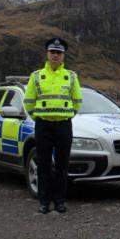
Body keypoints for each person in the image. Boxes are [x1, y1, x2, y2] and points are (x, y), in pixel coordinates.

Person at [23, 38, 82, 214]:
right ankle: (44, 202)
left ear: (63, 55)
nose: (55, 55)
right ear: (47, 54)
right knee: (44, 165)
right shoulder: (36, 76)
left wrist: (66, 116)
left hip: (64, 126)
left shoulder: (71, 77)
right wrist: (38, 118)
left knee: (63, 165)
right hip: (43, 126)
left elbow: (77, 101)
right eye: (52, 52)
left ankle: (60, 201)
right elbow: (28, 101)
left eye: (59, 53)